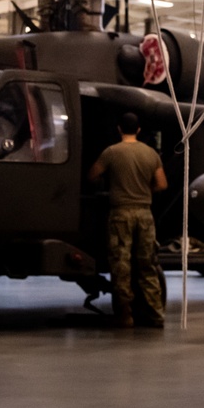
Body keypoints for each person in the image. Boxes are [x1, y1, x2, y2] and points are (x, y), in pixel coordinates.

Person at [88, 112, 167, 328]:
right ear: (139, 129)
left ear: (119, 129)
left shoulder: (111, 152)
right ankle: (156, 314)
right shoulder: (151, 154)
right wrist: (143, 190)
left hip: (121, 214)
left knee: (121, 266)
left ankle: (125, 315)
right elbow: (161, 184)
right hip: (145, 214)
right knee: (147, 265)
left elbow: (92, 176)